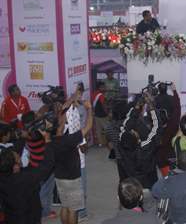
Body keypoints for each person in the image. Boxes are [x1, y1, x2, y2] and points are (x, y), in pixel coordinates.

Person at [53, 92, 93, 224]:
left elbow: (61, 116)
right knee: (73, 209)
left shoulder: (51, 140)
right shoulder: (69, 140)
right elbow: (88, 127)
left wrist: (71, 101)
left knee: (65, 205)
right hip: (72, 178)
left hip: (59, 177)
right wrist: (89, 109)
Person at [0, 129, 54, 224]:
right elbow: (47, 166)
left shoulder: (4, 177)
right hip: (29, 219)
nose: (20, 158)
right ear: (15, 166)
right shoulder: (25, 178)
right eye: (18, 157)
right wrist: (47, 140)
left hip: (11, 218)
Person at [118, 94, 162, 190]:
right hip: (148, 184)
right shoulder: (146, 147)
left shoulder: (122, 146)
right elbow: (156, 128)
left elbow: (125, 127)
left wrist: (137, 107)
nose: (133, 130)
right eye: (134, 133)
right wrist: (151, 107)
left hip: (132, 185)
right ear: (138, 140)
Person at [155, 83, 180, 176]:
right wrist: (175, 91)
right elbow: (177, 107)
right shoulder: (172, 99)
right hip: (171, 127)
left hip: (160, 129)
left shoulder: (155, 99)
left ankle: (166, 175)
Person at [92, 81, 109, 147]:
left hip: (96, 115)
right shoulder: (101, 95)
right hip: (103, 115)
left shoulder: (94, 93)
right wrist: (107, 113)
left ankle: (100, 143)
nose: (104, 88)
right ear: (100, 87)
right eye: (103, 87)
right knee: (107, 129)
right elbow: (104, 105)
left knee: (98, 130)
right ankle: (107, 142)